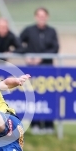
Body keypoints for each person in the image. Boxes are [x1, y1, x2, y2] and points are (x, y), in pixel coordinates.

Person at [20, 7, 59, 135]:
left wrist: (41, 57)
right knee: (33, 97)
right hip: (32, 71)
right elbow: (19, 44)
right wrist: (28, 56)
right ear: (35, 17)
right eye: (39, 16)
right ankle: (35, 124)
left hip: (47, 70)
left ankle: (49, 125)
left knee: (49, 97)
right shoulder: (28, 31)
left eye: (44, 16)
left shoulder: (51, 31)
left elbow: (55, 48)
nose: (41, 18)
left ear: (47, 17)